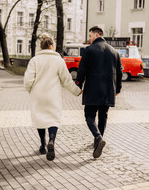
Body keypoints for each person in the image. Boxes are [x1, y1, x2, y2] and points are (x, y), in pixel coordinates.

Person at [24, 33, 82, 161]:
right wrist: (77, 91)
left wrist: (30, 90)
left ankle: (42, 145)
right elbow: (66, 80)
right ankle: (51, 140)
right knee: (53, 119)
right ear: (51, 46)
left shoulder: (34, 60)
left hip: (38, 95)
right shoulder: (58, 60)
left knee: (40, 119)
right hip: (53, 95)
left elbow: (28, 80)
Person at [76, 26, 122, 159]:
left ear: (97, 35)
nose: (89, 39)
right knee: (103, 115)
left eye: (90, 36)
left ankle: (97, 137)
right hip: (108, 90)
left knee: (89, 115)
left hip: (92, 90)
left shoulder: (89, 50)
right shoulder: (114, 51)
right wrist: (117, 89)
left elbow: (82, 70)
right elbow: (119, 72)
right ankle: (98, 141)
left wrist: (79, 84)